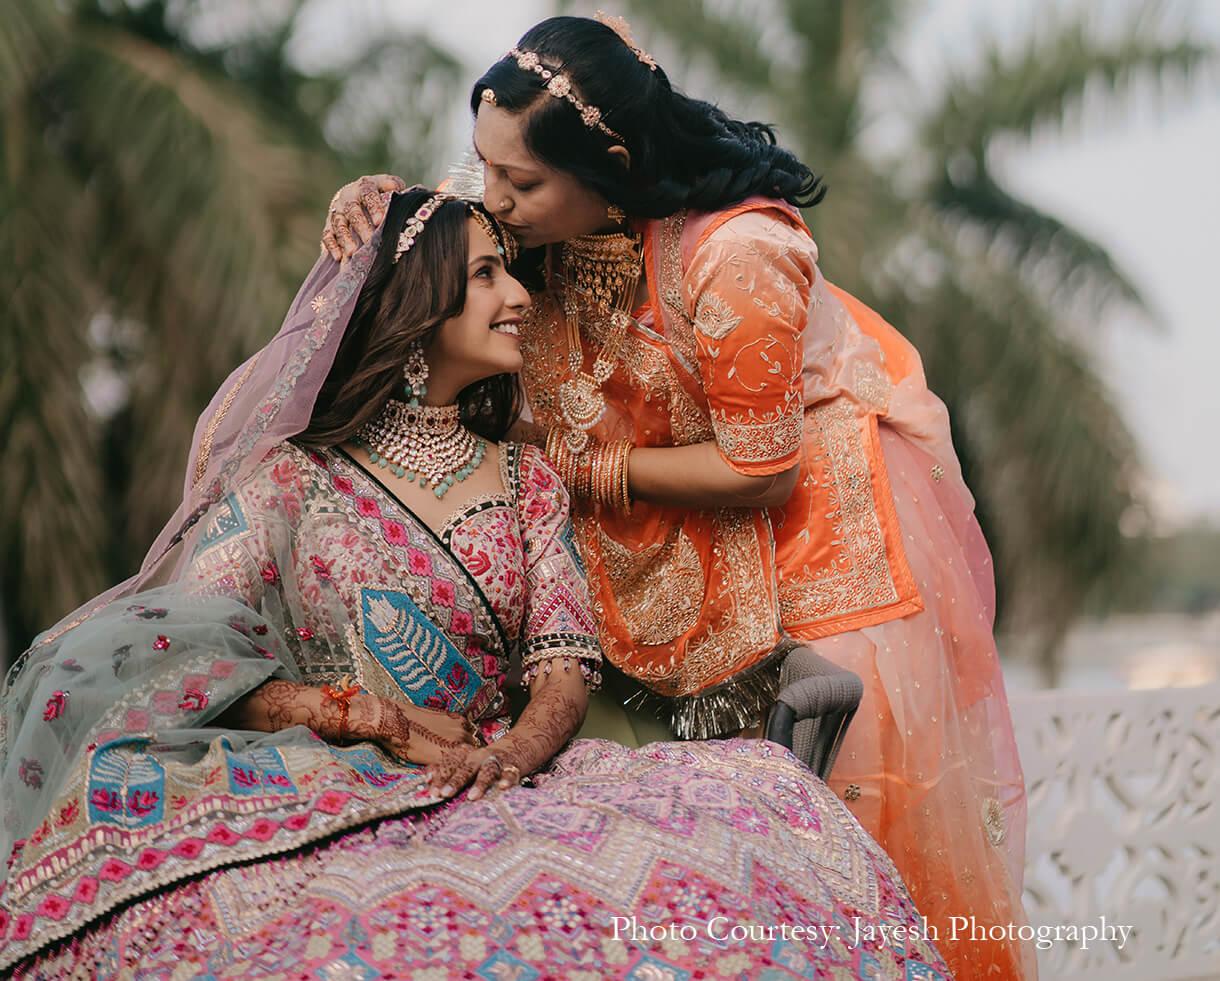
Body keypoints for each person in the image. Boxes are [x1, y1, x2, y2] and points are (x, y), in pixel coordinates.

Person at [0, 189, 949, 981]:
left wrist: (515, 758)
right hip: (341, 779)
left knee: (749, 815)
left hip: (505, 772)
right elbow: (187, 654)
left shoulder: (527, 477)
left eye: (509, 267)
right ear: (417, 303)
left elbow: (565, 663)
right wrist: (374, 719)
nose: (518, 298)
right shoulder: (294, 477)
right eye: (487, 274)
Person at [324, 15, 1032, 981]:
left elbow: (761, 468)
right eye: (479, 169)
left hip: (816, 502)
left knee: (854, 807)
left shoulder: (735, 253)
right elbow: (438, 233)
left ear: (608, 161)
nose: (491, 201)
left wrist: (588, 470)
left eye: (517, 184)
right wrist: (374, 200)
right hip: (667, 493)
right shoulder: (532, 198)